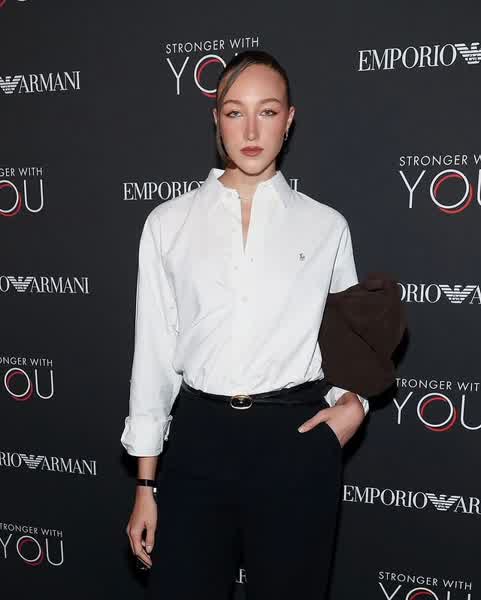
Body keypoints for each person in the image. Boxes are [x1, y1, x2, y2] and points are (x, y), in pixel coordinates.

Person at [120, 49, 369, 600]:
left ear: (289, 119)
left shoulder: (325, 226)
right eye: (236, 112)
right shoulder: (168, 222)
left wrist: (353, 405)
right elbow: (153, 355)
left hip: (295, 441)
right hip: (198, 442)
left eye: (268, 111)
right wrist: (145, 484)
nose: (252, 130)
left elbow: (348, 342)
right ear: (217, 119)